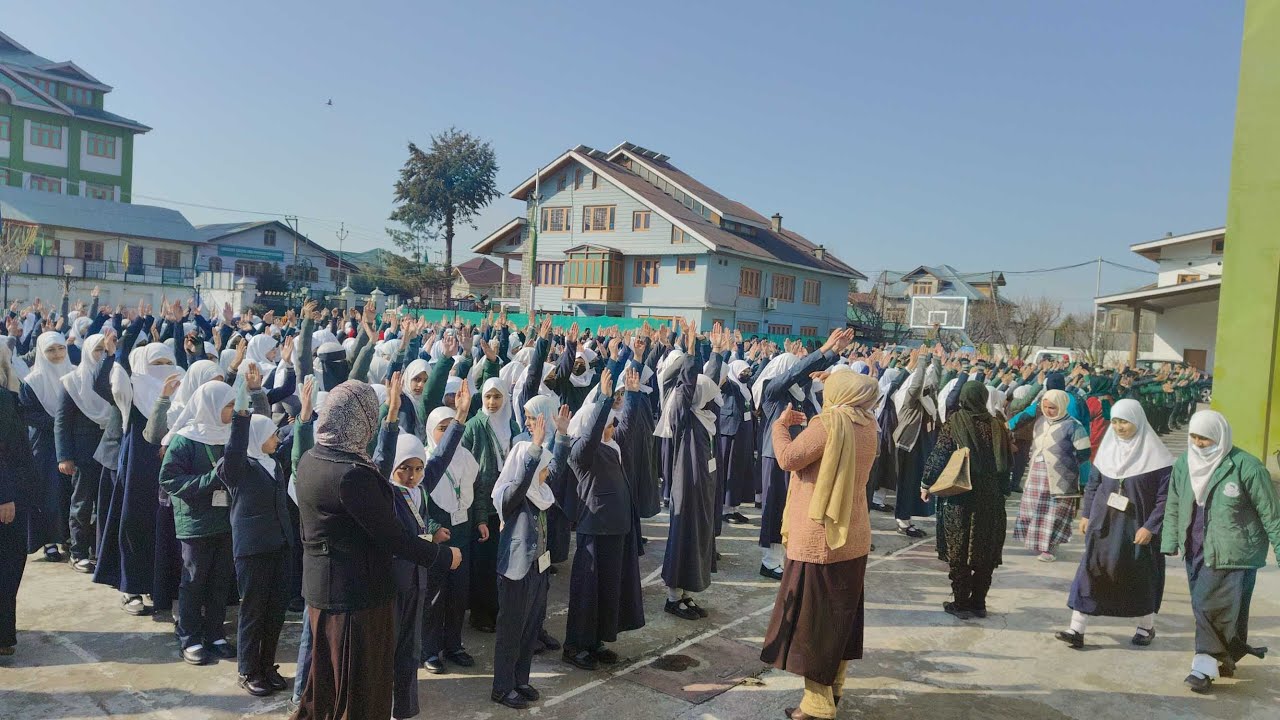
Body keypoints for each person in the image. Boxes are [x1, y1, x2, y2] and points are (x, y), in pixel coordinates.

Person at [291, 380, 461, 720]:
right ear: (360, 421)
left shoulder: (313, 458)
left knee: (327, 683)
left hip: (324, 591)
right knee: (359, 691)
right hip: (355, 600)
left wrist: (391, 419)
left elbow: (374, 479)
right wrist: (444, 557)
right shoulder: (352, 474)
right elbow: (394, 538)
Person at [760, 371, 878, 720]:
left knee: (813, 626)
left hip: (819, 536)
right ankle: (835, 688)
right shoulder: (868, 422)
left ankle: (816, 706)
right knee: (840, 620)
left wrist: (780, 427)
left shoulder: (828, 425)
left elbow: (788, 458)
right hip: (852, 535)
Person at [1160, 410, 1280, 693]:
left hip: (1235, 551)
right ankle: (1226, 657)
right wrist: (1169, 540)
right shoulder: (1183, 464)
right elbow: (1174, 503)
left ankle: (1202, 667)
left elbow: (1272, 514)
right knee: (1225, 610)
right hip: (1196, 548)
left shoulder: (1247, 467)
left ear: (1221, 437)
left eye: (1206, 438)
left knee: (1208, 606)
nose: (1199, 443)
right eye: (1195, 437)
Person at [1056, 399, 1172, 650]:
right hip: (1104, 524)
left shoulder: (1158, 457)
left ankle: (1146, 626)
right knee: (1091, 571)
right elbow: (1093, 485)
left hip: (1137, 527)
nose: (1119, 427)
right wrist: (1086, 514)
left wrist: (1151, 527)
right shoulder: (1107, 450)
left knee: (1139, 576)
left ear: (1138, 422)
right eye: (1116, 421)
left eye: (1125, 422)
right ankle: (1076, 628)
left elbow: (1165, 499)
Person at [563, 368, 645, 671]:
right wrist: (604, 400)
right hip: (595, 530)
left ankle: (595, 641)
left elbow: (629, 424)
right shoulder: (582, 452)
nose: (613, 425)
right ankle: (575, 646)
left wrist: (632, 395)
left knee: (607, 589)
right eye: (607, 422)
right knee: (587, 591)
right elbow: (593, 431)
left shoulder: (613, 446)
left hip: (617, 529)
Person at [159, 378, 242, 666]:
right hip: (195, 523)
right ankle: (189, 637)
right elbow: (169, 479)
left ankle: (215, 633)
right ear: (210, 406)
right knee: (194, 580)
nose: (231, 411)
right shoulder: (185, 439)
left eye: (232, 405)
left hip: (225, 519)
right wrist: (210, 480)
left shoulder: (230, 436)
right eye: (227, 406)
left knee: (220, 579)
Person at [490, 415, 565, 709]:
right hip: (516, 571)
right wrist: (533, 449)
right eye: (541, 468)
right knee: (511, 630)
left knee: (530, 628)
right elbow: (522, 481)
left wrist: (561, 436)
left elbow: (557, 467)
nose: (546, 473)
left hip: (538, 569)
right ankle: (502, 688)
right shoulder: (512, 495)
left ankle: (520, 680)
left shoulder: (542, 493)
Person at [920, 382, 1013, 620]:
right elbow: (1007, 466)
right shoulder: (998, 426)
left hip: (961, 497)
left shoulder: (955, 422)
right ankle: (979, 603)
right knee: (985, 551)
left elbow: (940, 454)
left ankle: (961, 603)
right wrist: (1002, 490)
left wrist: (926, 484)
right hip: (990, 499)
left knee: (958, 550)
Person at [220, 396, 293, 695]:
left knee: (275, 611)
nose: (276, 438)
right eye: (271, 435)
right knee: (253, 611)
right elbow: (235, 449)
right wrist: (241, 419)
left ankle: (266, 665)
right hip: (253, 549)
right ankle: (248, 669)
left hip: (279, 546)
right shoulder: (239, 467)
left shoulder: (272, 463)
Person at [656, 323, 724, 620]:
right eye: (709, 396)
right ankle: (673, 597)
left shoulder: (705, 417)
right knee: (683, 540)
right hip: (687, 491)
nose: (713, 401)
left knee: (697, 541)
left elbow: (709, 380)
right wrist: (692, 351)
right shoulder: (684, 416)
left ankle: (685, 594)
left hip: (702, 491)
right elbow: (687, 385)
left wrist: (718, 352)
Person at [420, 402, 484, 674]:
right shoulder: (423, 461)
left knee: (459, 594)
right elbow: (416, 505)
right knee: (435, 597)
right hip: (437, 542)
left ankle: (453, 644)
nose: (447, 435)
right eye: (441, 429)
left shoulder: (467, 458)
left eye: (451, 429)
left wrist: (480, 519)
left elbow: (477, 490)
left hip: (462, 535)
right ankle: (430, 650)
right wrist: (433, 528)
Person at [56, 333, 113, 573]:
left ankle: (100, 551)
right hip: (82, 453)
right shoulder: (71, 381)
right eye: (97, 349)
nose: (101, 354)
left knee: (105, 504)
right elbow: (62, 422)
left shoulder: (113, 377)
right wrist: (64, 457)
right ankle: (78, 551)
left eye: (105, 350)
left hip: (108, 450)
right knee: (82, 503)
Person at [1012, 389, 1091, 562]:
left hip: (1060, 477)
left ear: (1062, 406)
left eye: (1053, 408)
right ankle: (1039, 543)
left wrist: (1068, 464)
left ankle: (1050, 548)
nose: (1048, 411)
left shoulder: (1073, 426)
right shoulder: (1041, 422)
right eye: (1045, 407)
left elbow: (1084, 452)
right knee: (1036, 509)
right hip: (1038, 473)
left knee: (1054, 512)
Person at [18, 331, 75, 562]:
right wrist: (58, 423)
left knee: (69, 492)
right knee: (46, 494)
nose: (57, 354)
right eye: (51, 350)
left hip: (71, 440)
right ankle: (48, 542)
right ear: (41, 352)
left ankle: (70, 538)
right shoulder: (32, 381)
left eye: (61, 348)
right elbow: (27, 414)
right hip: (44, 444)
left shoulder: (74, 373)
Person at [0, 340, 38, 656]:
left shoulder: (9, 395)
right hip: (6, 497)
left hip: (12, 491)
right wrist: (6, 495)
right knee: (7, 563)